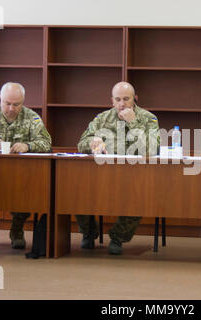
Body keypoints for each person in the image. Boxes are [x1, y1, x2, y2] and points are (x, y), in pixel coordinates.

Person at [76, 81, 160, 255]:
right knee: (78, 188)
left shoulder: (148, 118)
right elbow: (81, 144)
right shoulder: (101, 119)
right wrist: (92, 143)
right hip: (102, 174)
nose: (122, 104)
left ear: (135, 99)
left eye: (126, 99)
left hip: (134, 176)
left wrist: (134, 123)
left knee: (141, 194)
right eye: (118, 99)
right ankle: (89, 233)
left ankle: (117, 237)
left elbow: (152, 149)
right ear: (112, 101)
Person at [0, 82, 52, 249]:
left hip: (20, 173)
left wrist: (28, 146)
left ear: (23, 102)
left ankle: (17, 228)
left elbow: (46, 143)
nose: (11, 108)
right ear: (0, 99)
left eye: (16, 104)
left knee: (28, 187)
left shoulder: (31, 117)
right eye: (7, 103)